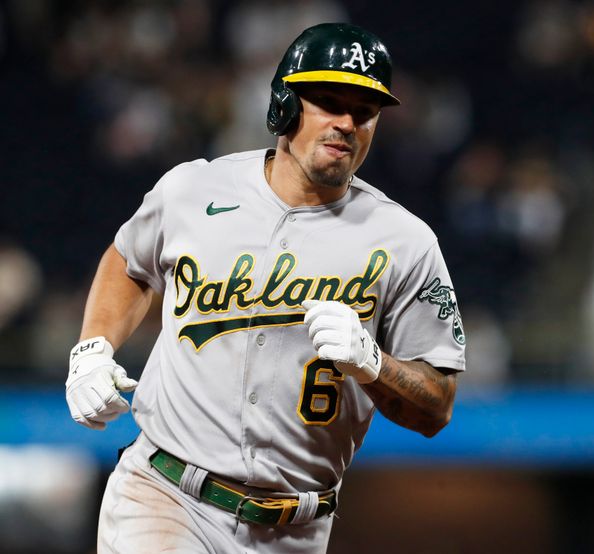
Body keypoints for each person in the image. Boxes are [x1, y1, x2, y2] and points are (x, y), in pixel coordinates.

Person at [65, 22, 466, 553]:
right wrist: (94, 347)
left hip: (298, 529)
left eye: (364, 111)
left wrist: (374, 363)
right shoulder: (195, 189)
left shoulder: (406, 242)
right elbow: (129, 260)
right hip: (166, 496)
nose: (346, 123)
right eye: (328, 101)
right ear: (283, 104)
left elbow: (436, 407)